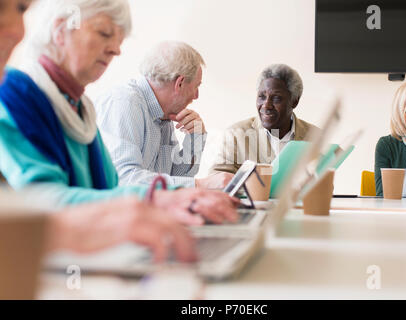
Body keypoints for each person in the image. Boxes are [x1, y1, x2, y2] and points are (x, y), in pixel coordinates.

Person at [0, 0, 238, 225]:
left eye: (119, 40)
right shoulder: (17, 93)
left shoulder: (81, 107)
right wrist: (177, 194)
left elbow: (113, 189)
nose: (116, 50)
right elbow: (41, 206)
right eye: (104, 33)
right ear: (61, 30)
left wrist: (182, 194)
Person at [95, 41, 233, 189]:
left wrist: (195, 138)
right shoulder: (124, 103)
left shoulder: (163, 116)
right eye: (196, 87)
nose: (196, 96)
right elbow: (124, 178)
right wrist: (199, 184)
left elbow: (176, 178)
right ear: (179, 83)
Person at [210, 64, 319, 174]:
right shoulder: (236, 134)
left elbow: (324, 184)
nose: (266, 105)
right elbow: (216, 177)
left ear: (294, 101)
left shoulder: (315, 136)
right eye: (262, 97)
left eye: (276, 98)